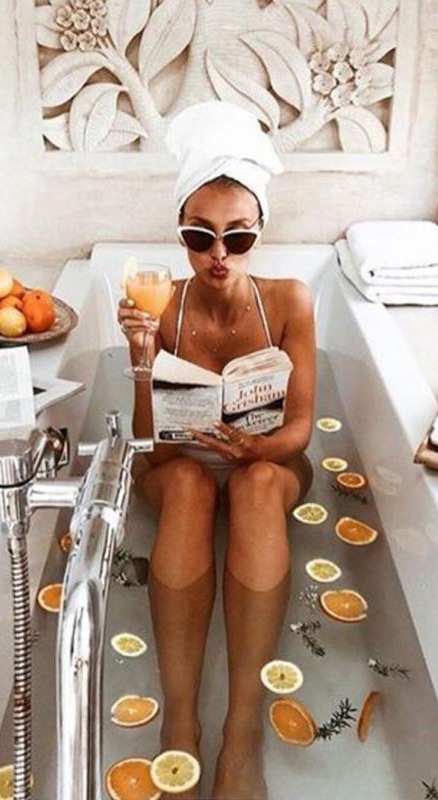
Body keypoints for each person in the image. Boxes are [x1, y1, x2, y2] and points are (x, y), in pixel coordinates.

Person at [117, 101, 316, 800]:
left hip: (266, 458)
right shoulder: (158, 304)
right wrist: (141, 357)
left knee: (258, 485)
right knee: (189, 486)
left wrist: (257, 446)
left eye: (238, 236)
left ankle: (242, 732)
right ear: (181, 233)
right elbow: (149, 443)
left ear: (261, 230)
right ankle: (180, 724)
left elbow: (302, 428)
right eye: (200, 236)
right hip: (182, 466)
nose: (219, 256)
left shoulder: (290, 300)